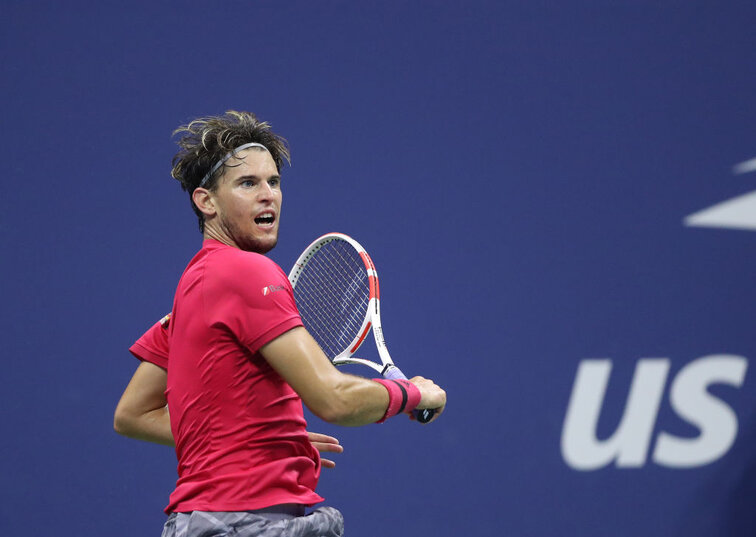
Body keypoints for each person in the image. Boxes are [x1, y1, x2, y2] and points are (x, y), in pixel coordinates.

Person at [116, 110, 446, 537]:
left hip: (203, 523)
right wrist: (413, 392)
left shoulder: (193, 287)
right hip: (247, 523)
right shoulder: (248, 272)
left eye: (274, 182)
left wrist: (256, 443)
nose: (268, 195)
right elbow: (335, 399)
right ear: (206, 201)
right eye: (247, 183)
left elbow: (132, 414)